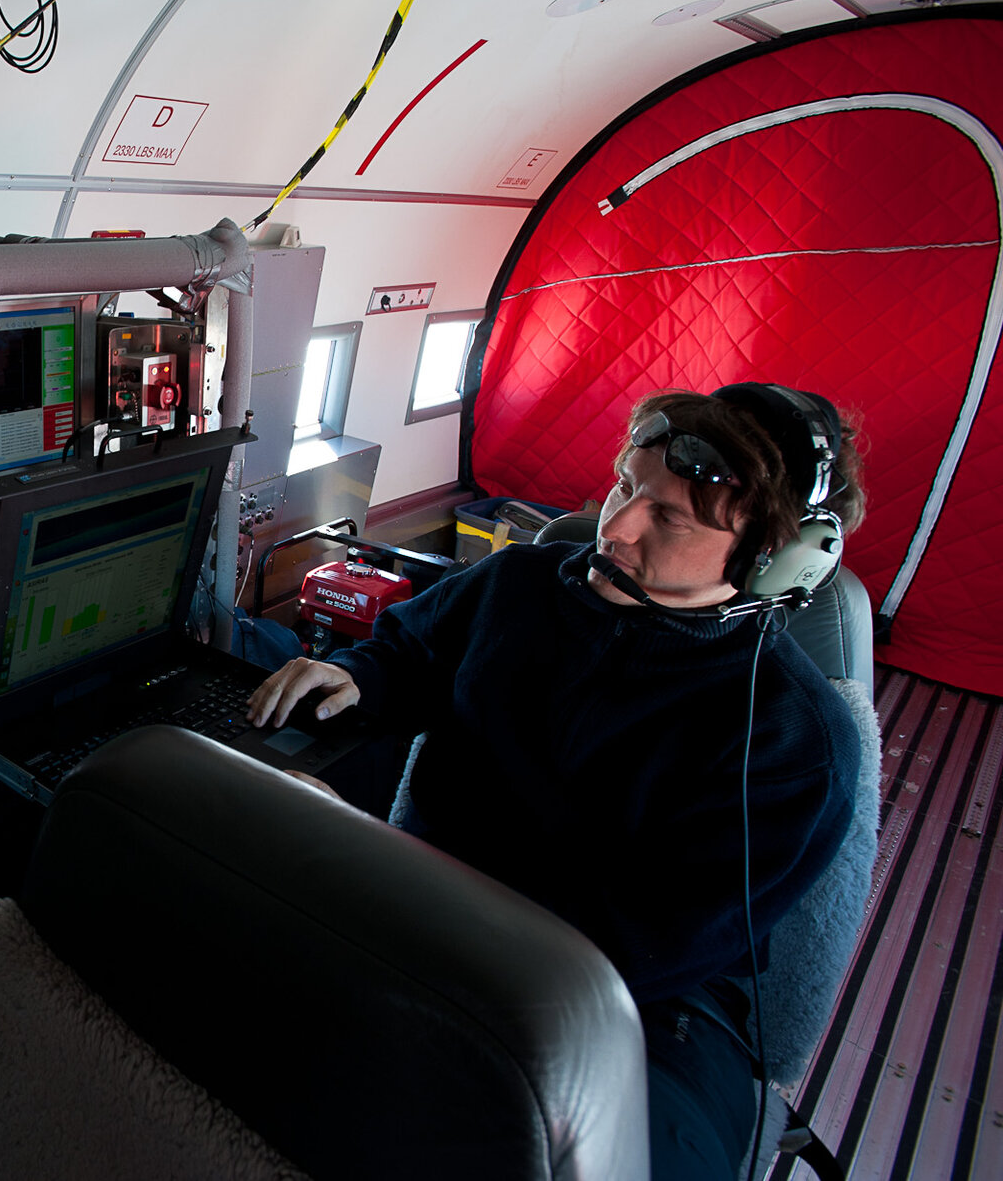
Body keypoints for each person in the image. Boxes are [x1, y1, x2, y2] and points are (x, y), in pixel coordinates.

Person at [246, 384, 866, 1180]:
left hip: (642, 1009)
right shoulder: (525, 584)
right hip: (427, 914)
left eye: (669, 517)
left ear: (772, 562)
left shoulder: (792, 739)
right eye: (625, 485)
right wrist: (359, 676)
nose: (616, 525)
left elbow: (637, 949)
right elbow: (412, 654)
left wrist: (377, 876)